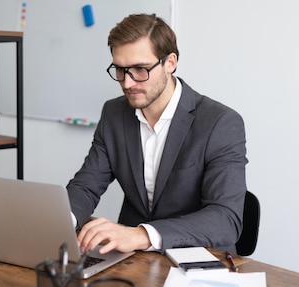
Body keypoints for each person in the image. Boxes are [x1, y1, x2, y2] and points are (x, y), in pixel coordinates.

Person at [66, 13, 247, 255]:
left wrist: (142, 234)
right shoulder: (114, 113)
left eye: (140, 69)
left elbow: (226, 219)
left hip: (199, 259)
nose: (127, 83)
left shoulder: (220, 123)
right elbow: (86, 186)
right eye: (120, 69)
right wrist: (62, 221)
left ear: (170, 62)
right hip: (133, 261)